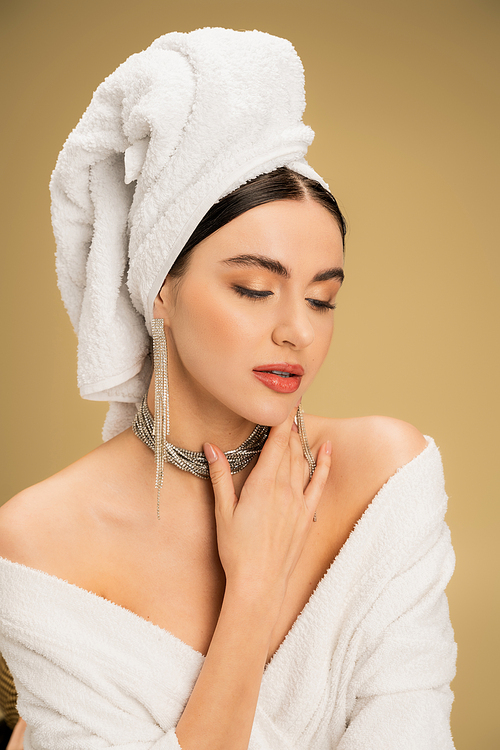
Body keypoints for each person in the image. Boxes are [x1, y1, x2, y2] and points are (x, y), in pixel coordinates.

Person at [0, 28, 456, 750]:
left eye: (322, 299)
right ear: (160, 291)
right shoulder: (43, 540)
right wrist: (251, 594)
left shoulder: (384, 477)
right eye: (253, 289)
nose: (297, 332)